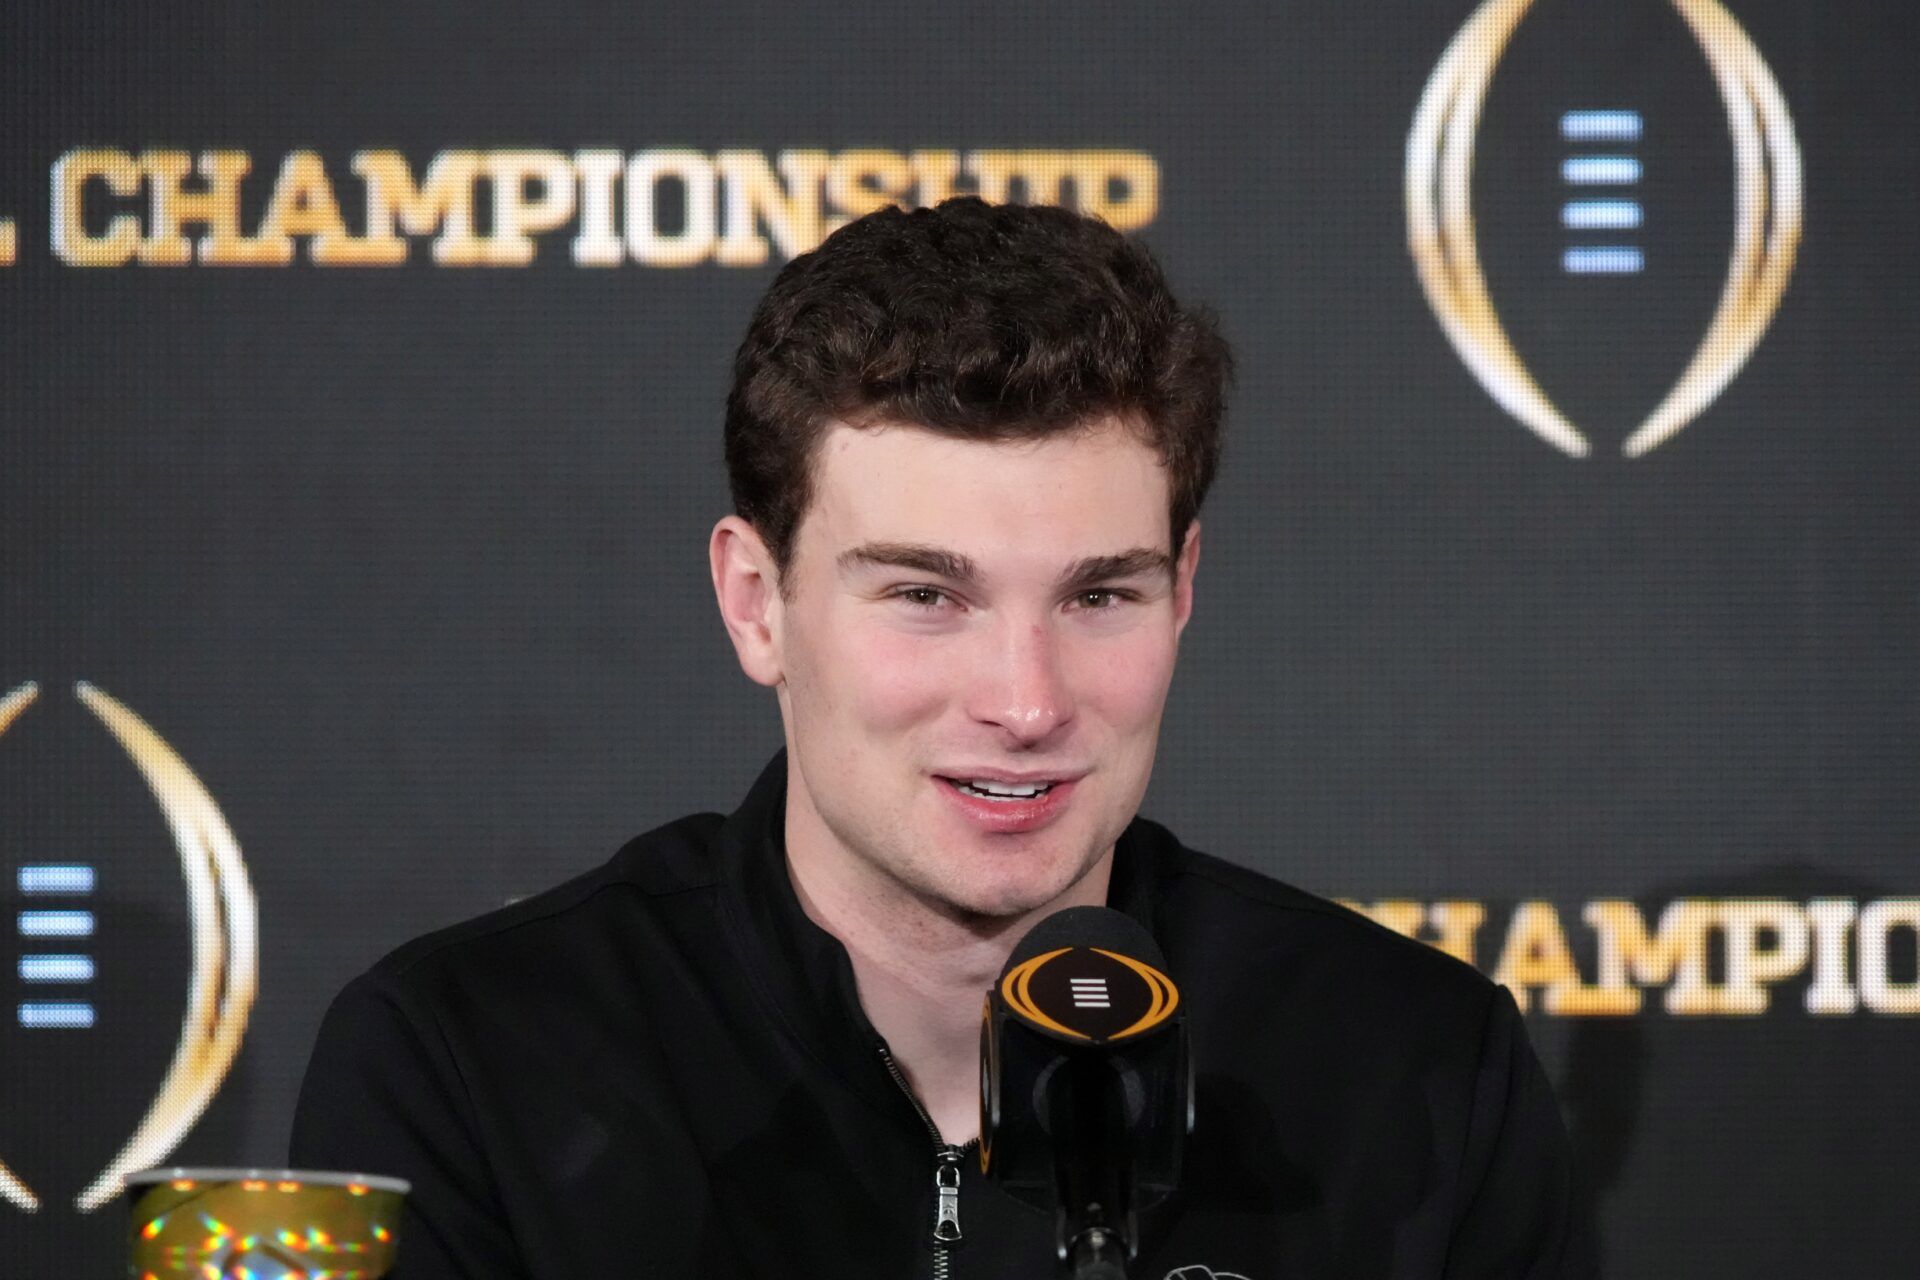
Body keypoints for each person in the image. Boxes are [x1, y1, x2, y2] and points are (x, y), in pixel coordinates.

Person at [291, 196, 1581, 1278]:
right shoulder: (472, 1063)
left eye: (1100, 596)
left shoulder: (1413, 1067)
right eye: (926, 596)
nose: (1027, 704)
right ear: (756, 604)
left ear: (1184, 590)